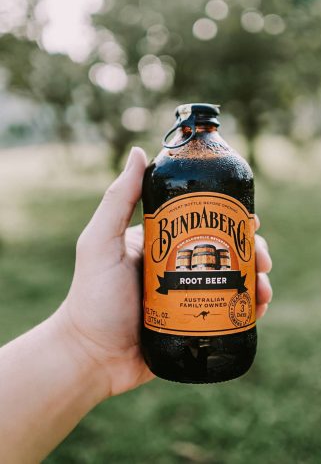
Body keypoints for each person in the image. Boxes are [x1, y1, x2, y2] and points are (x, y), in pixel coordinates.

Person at [0, 147, 273, 462]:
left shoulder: (229, 167)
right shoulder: (166, 171)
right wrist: (82, 343)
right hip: (159, 333)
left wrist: (82, 348)